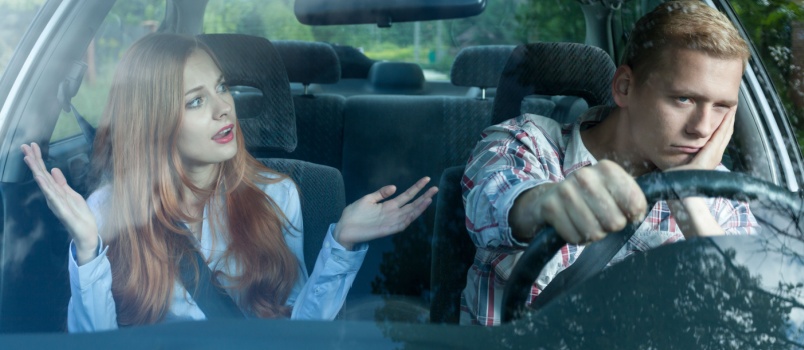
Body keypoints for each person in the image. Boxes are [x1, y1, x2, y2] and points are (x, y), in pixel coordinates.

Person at [21, 33, 438, 332]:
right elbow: (95, 344)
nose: (225, 108)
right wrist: (90, 251)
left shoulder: (276, 194)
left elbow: (302, 336)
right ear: (154, 120)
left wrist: (341, 244)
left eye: (222, 88)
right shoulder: (106, 210)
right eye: (197, 100)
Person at [460, 0, 759, 326]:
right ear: (624, 87)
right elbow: (497, 200)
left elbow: (745, 319)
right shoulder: (525, 144)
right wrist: (547, 204)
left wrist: (690, 198)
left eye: (721, 107)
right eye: (684, 99)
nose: (701, 127)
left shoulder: (724, 197)